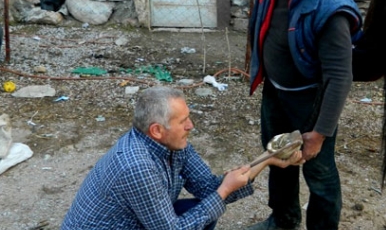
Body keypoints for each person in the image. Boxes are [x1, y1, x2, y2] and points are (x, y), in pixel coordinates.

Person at [246, 0, 362, 230]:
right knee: (278, 157)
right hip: (277, 90)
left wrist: (319, 133)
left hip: (311, 101)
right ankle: (283, 220)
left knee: (319, 173)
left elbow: (340, 77)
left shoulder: (331, 6)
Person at [61, 86, 302, 230]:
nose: (191, 125)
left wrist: (268, 158)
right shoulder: (136, 165)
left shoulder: (172, 143)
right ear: (156, 130)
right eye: (182, 121)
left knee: (200, 209)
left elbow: (208, 187)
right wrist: (224, 192)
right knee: (201, 213)